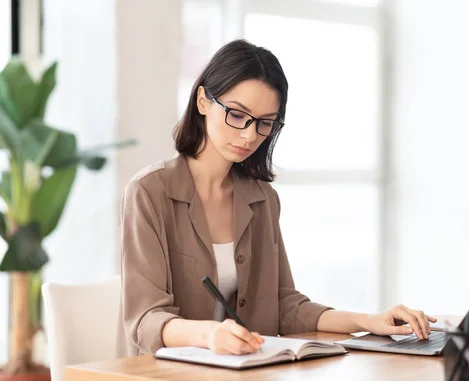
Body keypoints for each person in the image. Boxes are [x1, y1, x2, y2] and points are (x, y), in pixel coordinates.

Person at [117, 39, 436, 357]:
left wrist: (368, 321)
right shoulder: (149, 192)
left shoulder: (261, 199)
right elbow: (146, 319)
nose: (250, 135)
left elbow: (283, 302)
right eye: (237, 115)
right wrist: (210, 335)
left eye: (265, 123)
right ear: (203, 101)